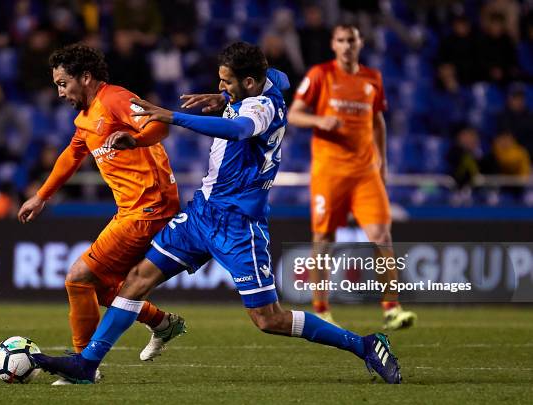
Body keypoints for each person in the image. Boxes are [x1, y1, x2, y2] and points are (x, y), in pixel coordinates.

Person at [31, 42, 402, 385]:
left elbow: (238, 128)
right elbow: (281, 77)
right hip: (201, 215)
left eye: (227, 81)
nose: (221, 85)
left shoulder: (262, 108)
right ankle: (88, 362)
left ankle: (365, 344)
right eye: (220, 80)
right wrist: (224, 95)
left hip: (238, 224)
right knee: (136, 279)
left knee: (267, 319)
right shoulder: (264, 81)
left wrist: (174, 117)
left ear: (251, 82)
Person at [17, 44, 185, 384]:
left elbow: (161, 126)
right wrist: (41, 196)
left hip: (149, 208)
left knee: (78, 277)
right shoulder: (86, 117)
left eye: (64, 83)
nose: (60, 92)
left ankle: (82, 367)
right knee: (101, 286)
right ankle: (162, 323)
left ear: (86, 77)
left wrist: (136, 140)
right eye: (57, 86)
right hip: (132, 209)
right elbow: (70, 156)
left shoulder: (116, 99)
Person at [287, 24, 416, 329]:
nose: (347, 46)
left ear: (360, 44)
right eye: (342, 40)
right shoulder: (320, 75)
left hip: (365, 173)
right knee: (323, 239)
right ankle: (321, 310)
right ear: (333, 44)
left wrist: (381, 165)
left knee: (383, 237)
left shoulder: (373, 78)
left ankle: (392, 309)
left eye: (352, 41)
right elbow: (294, 114)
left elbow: (378, 123)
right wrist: (320, 120)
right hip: (330, 172)